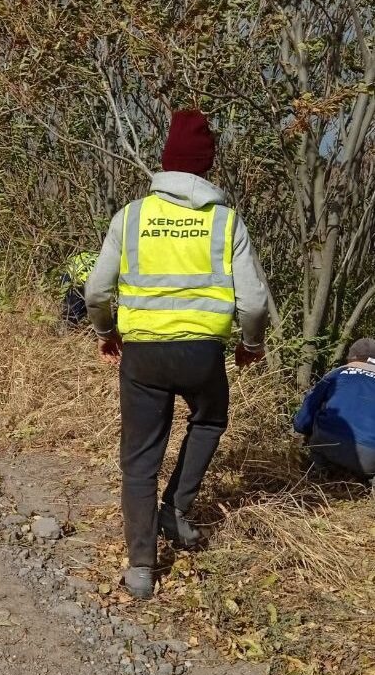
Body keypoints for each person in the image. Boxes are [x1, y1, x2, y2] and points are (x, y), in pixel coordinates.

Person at [84, 109, 270, 599]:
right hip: (202, 355)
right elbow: (253, 302)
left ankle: (142, 567)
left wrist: (107, 332)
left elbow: (97, 291)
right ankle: (177, 507)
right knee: (209, 419)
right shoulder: (226, 222)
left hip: (143, 355)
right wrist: (251, 345)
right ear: (205, 168)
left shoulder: (131, 217)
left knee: (139, 459)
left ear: (164, 165)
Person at [294, 338, 375, 484]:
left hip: (328, 446)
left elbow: (303, 420)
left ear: (351, 358)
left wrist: (303, 431)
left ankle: (318, 475)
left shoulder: (336, 374)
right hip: (370, 457)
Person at [61, 251, 98, 327]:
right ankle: (65, 333)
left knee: (73, 311)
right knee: (73, 312)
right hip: (76, 277)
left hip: (71, 270)